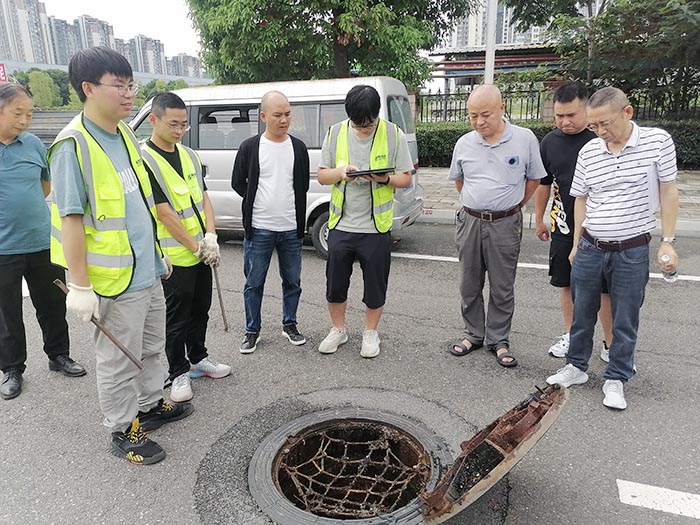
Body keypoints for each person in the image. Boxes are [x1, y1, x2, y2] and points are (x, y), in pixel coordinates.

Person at [49, 47, 193, 465]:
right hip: (113, 280)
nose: (129, 93)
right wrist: (79, 286)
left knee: (151, 347)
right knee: (117, 358)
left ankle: (149, 406)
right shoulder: (72, 146)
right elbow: (72, 220)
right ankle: (121, 428)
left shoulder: (126, 134)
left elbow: (142, 203)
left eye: (132, 85)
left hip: (146, 271)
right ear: (88, 88)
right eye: (119, 85)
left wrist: (156, 255)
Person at [546, 87, 679, 410]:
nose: (601, 132)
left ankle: (616, 377)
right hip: (591, 245)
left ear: (628, 112)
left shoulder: (657, 143)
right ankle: (577, 366)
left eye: (606, 124)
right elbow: (580, 197)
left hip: (631, 249)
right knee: (581, 312)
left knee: (624, 317)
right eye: (594, 126)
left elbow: (669, 192)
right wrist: (577, 243)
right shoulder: (590, 151)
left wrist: (668, 241)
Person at [448, 84, 547, 368]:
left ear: (502, 109)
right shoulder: (464, 143)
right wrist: (476, 203)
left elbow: (534, 179)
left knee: (502, 285)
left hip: (505, 223)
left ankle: (499, 339)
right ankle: (473, 333)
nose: (479, 122)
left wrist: (513, 205)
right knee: (469, 282)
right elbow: (459, 181)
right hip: (470, 221)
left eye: (486, 115)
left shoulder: (525, 138)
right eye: (473, 116)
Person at [141, 92, 231, 403]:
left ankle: (198, 358)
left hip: (201, 250)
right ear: (153, 120)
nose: (179, 130)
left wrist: (211, 235)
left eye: (184, 125)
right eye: (173, 124)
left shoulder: (190, 155)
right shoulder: (145, 159)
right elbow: (163, 212)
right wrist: (196, 246)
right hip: (174, 257)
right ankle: (177, 371)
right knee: (175, 319)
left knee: (200, 310)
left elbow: (202, 197)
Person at [0, 84, 86, 401]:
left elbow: (45, 185)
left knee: (52, 303)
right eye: (17, 113)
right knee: (6, 312)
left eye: (30, 113)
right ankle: (12, 369)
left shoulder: (34, 144)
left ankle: (58, 355)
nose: (25, 120)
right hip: (3, 249)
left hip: (42, 242)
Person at [316, 84, 413, 358]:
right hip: (341, 224)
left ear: (376, 114)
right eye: (358, 125)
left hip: (376, 227)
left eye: (368, 124)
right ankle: (338, 330)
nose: (363, 129)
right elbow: (322, 176)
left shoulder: (394, 134)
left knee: (375, 285)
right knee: (335, 285)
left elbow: (406, 178)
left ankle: (370, 333)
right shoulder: (335, 133)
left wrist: (384, 178)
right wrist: (340, 172)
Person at [534, 82, 613, 360]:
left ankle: (609, 343)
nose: (565, 122)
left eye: (572, 115)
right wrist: (540, 219)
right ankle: (570, 335)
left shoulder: (600, 140)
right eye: (559, 116)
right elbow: (544, 184)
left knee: (603, 288)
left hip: (599, 227)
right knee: (565, 283)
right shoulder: (549, 143)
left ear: (586, 110)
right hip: (564, 225)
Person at [232, 91, 309, 353]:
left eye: (287, 113)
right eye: (278, 114)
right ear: (264, 116)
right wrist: (259, 201)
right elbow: (238, 182)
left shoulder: (298, 147)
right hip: (259, 228)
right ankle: (252, 330)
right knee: (254, 282)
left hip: (291, 228)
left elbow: (302, 185)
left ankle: (290, 324)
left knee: (292, 281)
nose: (284, 119)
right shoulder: (250, 147)